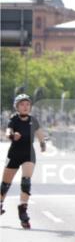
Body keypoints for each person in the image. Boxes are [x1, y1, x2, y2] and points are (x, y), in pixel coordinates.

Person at [3, 94, 46, 229]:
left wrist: (42, 143)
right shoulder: (14, 119)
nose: (25, 107)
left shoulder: (33, 120)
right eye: (22, 104)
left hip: (28, 154)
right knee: (5, 184)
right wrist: (12, 135)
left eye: (27, 104)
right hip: (14, 153)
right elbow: (8, 131)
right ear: (17, 107)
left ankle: (22, 210)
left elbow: (39, 133)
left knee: (26, 182)